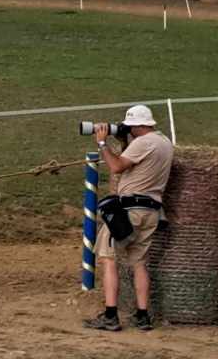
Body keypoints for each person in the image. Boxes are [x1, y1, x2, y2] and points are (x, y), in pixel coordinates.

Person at [83, 104, 174, 332]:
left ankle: (111, 315)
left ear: (138, 126)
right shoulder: (164, 142)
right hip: (151, 211)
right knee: (139, 263)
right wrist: (125, 142)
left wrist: (102, 143)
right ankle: (143, 316)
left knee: (108, 258)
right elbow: (134, 164)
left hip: (129, 212)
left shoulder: (144, 142)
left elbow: (116, 167)